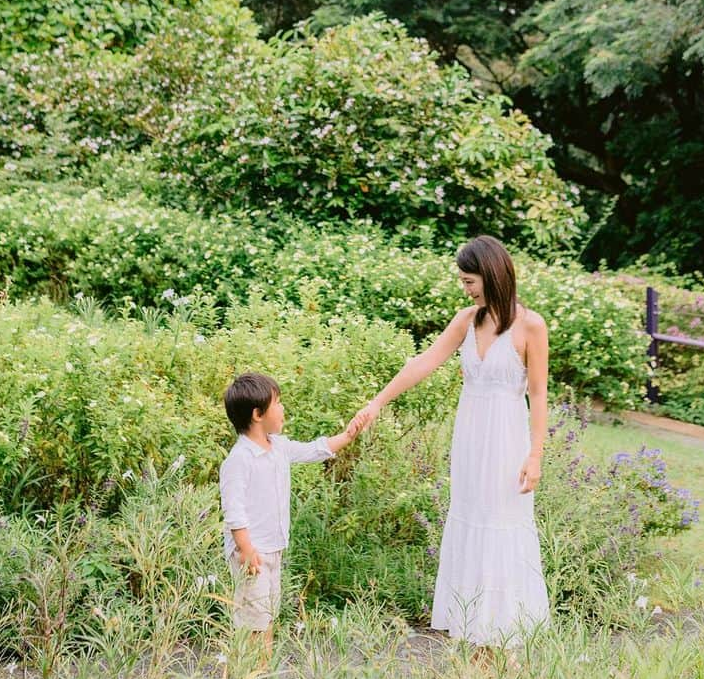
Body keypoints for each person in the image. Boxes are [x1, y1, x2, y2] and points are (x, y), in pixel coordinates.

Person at [353, 235, 550, 646]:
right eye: (463, 282)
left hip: (506, 444)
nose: (465, 288)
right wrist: (377, 403)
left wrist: (535, 455)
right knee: (471, 521)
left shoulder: (530, 325)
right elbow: (423, 362)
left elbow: (539, 396)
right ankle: (474, 628)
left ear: (493, 274)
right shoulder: (467, 320)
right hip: (470, 443)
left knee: (501, 527)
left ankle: (504, 635)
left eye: (469, 281)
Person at [219, 371, 363, 654]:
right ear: (258, 414)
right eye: (278, 403)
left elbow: (315, 450)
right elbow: (234, 512)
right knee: (253, 623)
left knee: (267, 616)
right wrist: (246, 550)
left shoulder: (279, 447)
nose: (283, 409)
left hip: (274, 549)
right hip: (253, 554)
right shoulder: (239, 460)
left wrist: (348, 435)